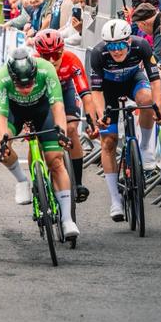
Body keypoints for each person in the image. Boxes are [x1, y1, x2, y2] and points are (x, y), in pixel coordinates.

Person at [0, 46, 79, 241]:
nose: (26, 90)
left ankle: (67, 219)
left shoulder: (46, 69)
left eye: (30, 84)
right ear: (12, 78)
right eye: (20, 86)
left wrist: (62, 133)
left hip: (42, 111)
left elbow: (58, 106)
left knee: (55, 160)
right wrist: (5, 142)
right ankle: (22, 180)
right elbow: (1, 116)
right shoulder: (1, 78)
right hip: (15, 112)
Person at [87, 19, 156, 222]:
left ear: (128, 41)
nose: (116, 50)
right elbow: (96, 92)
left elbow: (155, 80)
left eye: (120, 45)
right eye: (111, 46)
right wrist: (102, 116)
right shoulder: (98, 54)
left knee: (147, 100)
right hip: (108, 90)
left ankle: (144, 147)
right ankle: (115, 200)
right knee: (108, 142)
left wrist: (157, 107)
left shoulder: (141, 45)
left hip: (134, 81)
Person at [34, 27, 99, 204]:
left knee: (71, 129)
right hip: (42, 97)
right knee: (38, 135)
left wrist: (92, 123)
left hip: (65, 92)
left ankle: (77, 182)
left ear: (63, 50)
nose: (52, 60)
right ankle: (38, 178)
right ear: (39, 55)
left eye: (56, 54)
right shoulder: (34, 64)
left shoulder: (71, 60)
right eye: (46, 56)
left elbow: (86, 95)